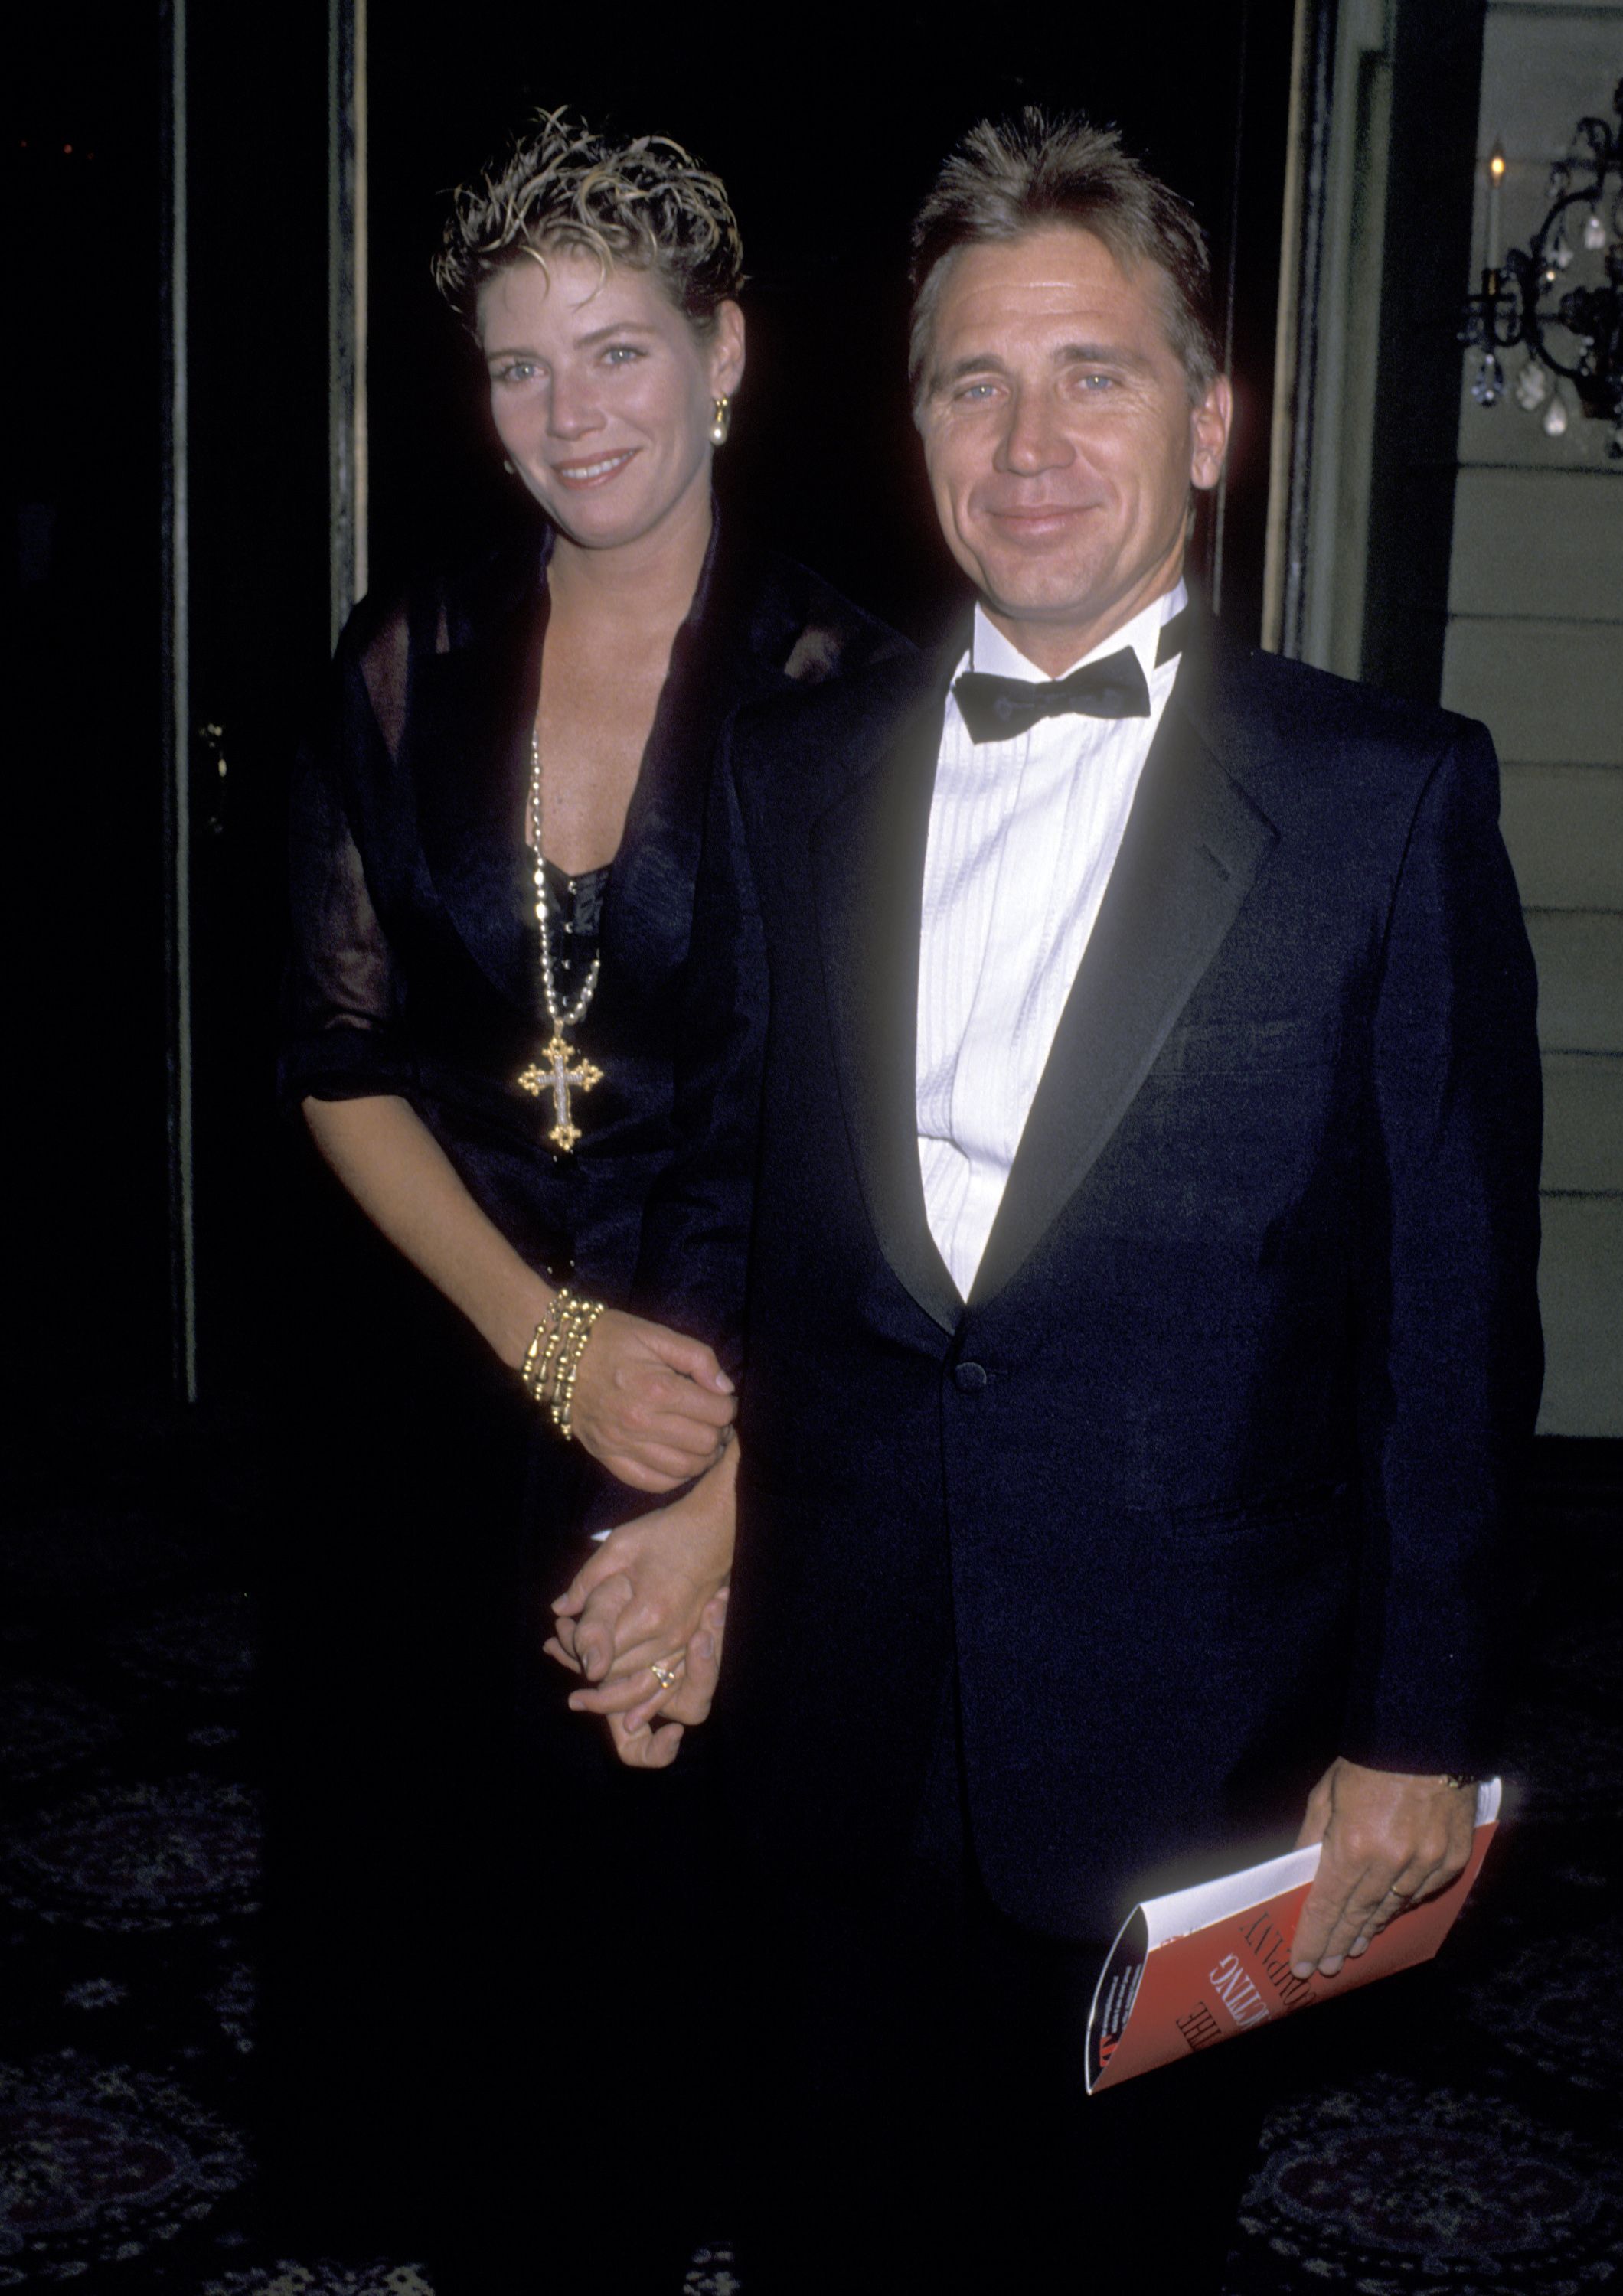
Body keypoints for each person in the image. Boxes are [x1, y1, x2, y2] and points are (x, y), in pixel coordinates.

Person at [619, 110, 1543, 2293]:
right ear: (916, 419)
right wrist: (684, 1497)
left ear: (1209, 422)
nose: (1028, 440)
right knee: (833, 2223)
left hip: (1188, 1722)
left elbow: (1446, 1308)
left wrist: (1418, 1725)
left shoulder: (1378, 798)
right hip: (836, 1697)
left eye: (1094, 373)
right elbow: (743, 1200)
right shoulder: (795, 769)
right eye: (972, 380)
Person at [270, 109, 898, 2294]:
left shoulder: (852, 686)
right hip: (449, 1373)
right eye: (522, 367)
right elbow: (339, 1065)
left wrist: (718, 1499)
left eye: (617, 352)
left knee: (675, 2000)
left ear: (723, 354)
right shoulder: (409, 650)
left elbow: (870, 1157)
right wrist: (539, 1339)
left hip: (741, 1401)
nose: (571, 415)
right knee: (454, 1964)